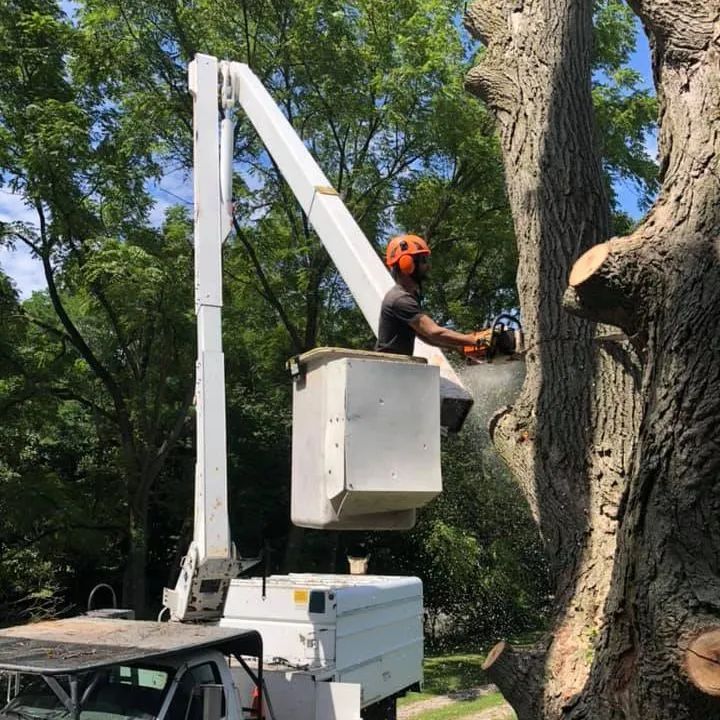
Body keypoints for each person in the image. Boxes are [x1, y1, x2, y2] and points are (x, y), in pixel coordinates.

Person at [375, 234, 482, 356]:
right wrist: (478, 341)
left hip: (396, 366)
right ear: (407, 264)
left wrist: (457, 346)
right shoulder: (400, 299)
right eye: (423, 261)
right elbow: (434, 332)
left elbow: (423, 335)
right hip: (388, 367)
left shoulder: (408, 296)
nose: (428, 266)